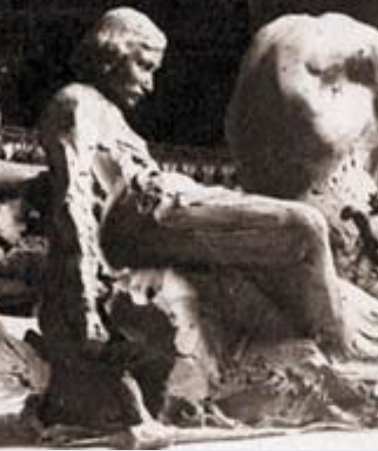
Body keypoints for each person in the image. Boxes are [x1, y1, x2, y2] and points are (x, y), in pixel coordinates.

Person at [36, 6, 361, 432]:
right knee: (304, 227)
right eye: (144, 66)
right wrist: (84, 301)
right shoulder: (75, 102)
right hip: (152, 215)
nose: (150, 84)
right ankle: (344, 355)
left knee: (301, 234)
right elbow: (73, 197)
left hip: (166, 207)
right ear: (111, 55)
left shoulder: (108, 113)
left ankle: (336, 349)